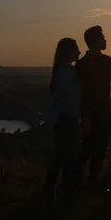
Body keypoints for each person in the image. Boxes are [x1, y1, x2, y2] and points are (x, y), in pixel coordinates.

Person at [75, 25, 111, 187]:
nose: (105, 40)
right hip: (90, 114)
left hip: (105, 112)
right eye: (102, 37)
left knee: (101, 148)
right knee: (87, 148)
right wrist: (84, 116)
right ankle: (74, 182)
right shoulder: (82, 65)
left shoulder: (107, 61)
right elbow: (79, 94)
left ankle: (92, 181)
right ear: (94, 41)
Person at [43, 37, 81, 202]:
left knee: (62, 157)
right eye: (76, 49)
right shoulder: (66, 73)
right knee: (66, 158)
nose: (79, 52)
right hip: (67, 121)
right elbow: (70, 99)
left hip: (66, 120)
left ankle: (56, 190)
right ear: (68, 52)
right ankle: (61, 192)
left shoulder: (65, 71)